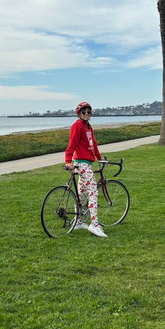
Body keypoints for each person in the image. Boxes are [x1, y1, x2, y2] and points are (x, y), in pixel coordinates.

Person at [65, 101, 107, 238]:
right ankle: (94, 224)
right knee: (93, 192)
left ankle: (78, 221)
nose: (87, 114)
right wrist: (68, 160)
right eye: (84, 112)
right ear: (79, 114)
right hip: (81, 164)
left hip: (86, 163)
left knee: (81, 193)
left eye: (89, 112)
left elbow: (93, 144)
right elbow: (72, 144)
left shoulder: (88, 127)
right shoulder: (77, 125)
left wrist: (99, 157)